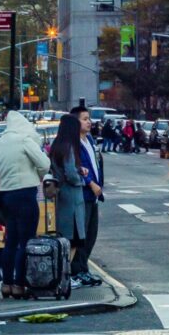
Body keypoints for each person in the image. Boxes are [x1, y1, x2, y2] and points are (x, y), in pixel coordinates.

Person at [0, 110, 49, 300]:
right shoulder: (24, 141)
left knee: (10, 240)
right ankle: (20, 284)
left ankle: (6, 283)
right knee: (25, 242)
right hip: (26, 193)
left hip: (6, 196)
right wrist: (38, 174)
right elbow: (44, 163)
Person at [48, 114, 87, 287]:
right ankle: (65, 275)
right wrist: (82, 178)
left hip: (61, 194)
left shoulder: (57, 146)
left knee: (65, 238)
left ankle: (63, 274)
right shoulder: (70, 147)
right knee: (73, 240)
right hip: (72, 196)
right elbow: (71, 174)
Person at [71, 106, 105, 287]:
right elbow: (76, 167)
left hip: (94, 196)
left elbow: (95, 163)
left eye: (89, 119)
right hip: (83, 194)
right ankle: (78, 271)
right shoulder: (73, 143)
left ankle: (84, 268)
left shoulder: (89, 140)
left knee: (91, 234)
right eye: (85, 119)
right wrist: (90, 183)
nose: (89, 122)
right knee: (81, 235)